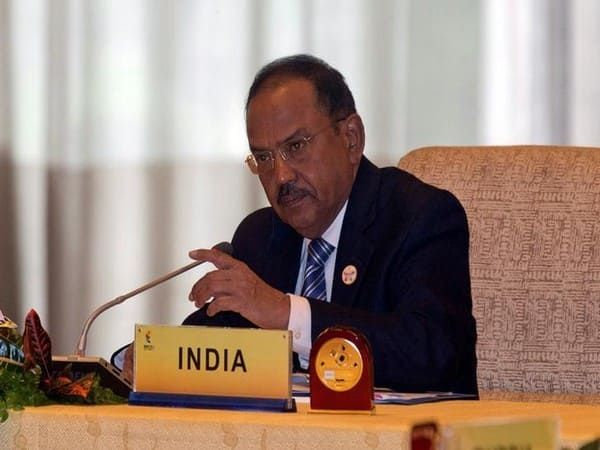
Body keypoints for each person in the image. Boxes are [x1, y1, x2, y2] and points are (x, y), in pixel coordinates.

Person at [121, 54, 478, 395]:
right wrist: (151, 357)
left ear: (351, 138)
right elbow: (214, 341)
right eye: (263, 157)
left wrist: (286, 313)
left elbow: (435, 351)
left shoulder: (418, 216)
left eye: (296, 146)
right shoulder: (260, 236)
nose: (281, 175)